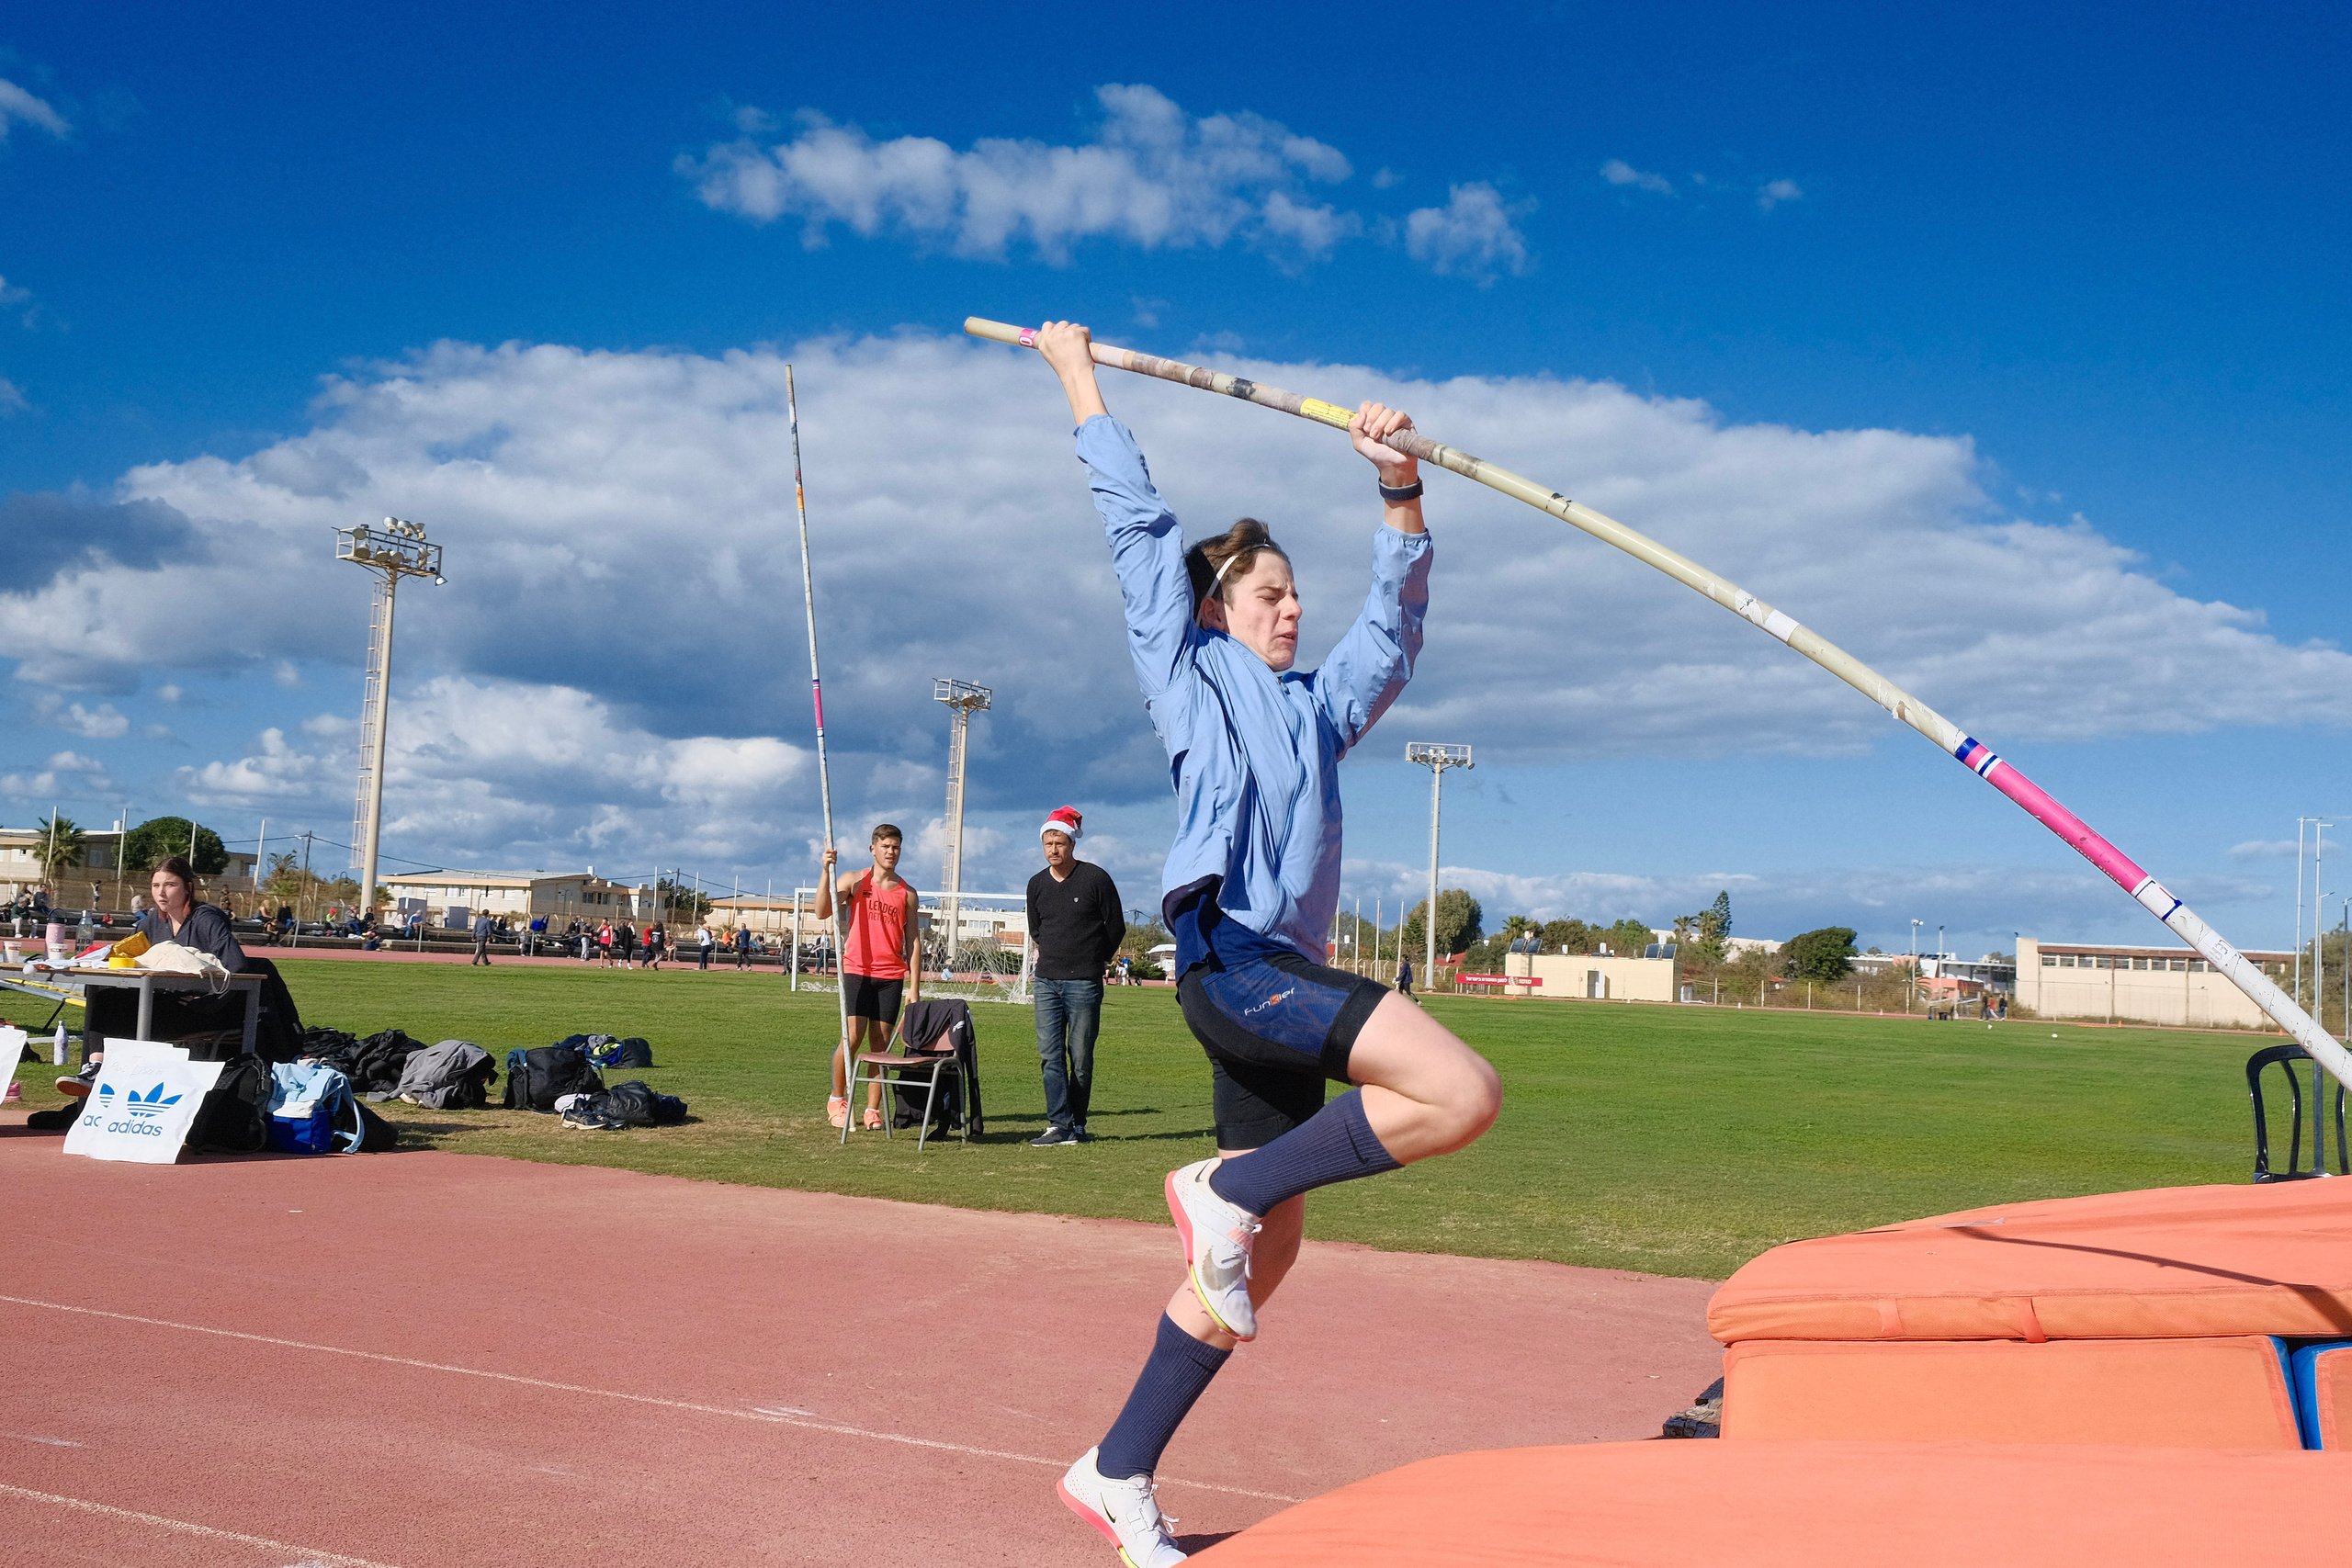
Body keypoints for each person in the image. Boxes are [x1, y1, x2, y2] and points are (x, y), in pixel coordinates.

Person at [1031, 321, 1499, 1565]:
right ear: (1216, 607)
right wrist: (1081, 380)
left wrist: (1397, 484)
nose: (1292, 611)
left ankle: (1116, 1466)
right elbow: (1138, 535)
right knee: (1459, 1088)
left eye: (1297, 594)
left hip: (1275, 979)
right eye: (1270, 594)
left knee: (1257, 1262)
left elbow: (1391, 637)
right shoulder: (1186, 672)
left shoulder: (1317, 705)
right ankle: (1220, 1187)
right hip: (1231, 953)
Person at [1024, 807, 1125, 1147]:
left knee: (1080, 1057)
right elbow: (1036, 928)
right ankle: (1058, 1124)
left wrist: (1096, 960)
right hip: (1046, 982)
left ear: (1072, 844)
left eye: (1060, 843)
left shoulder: (1096, 879)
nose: (1054, 849)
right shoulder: (1036, 884)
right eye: (1048, 843)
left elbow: (1116, 927)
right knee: (1049, 1055)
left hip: (1084, 982)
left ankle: (1077, 1124)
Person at [814, 824, 922, 1132]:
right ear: (873, 848)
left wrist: (914, 987)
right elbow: (822, 911)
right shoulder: (853, 880)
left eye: (896, 847)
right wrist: (826, 871)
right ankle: (837, 1098)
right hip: (857, 969)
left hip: (890, 975)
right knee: (852, 1037)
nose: (891, 852)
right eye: (885, 846)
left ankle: (872, 1109)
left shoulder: (907, 893)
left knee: (881, 1045)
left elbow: (912, 941)